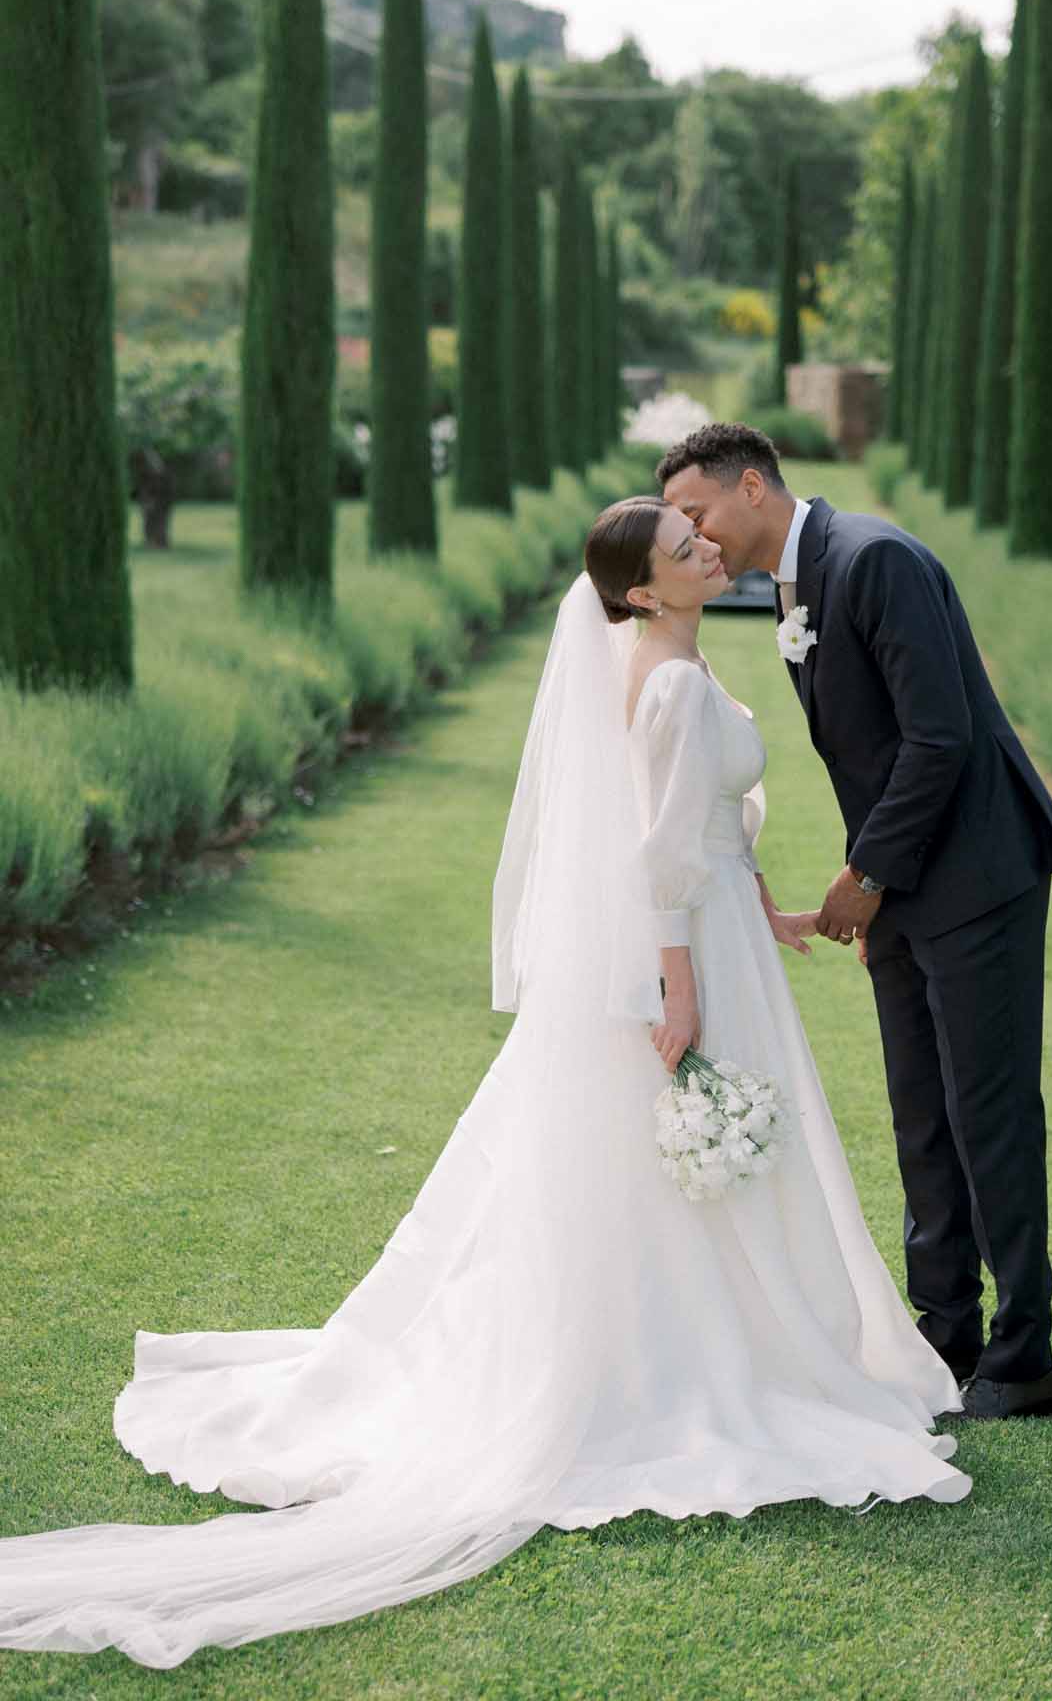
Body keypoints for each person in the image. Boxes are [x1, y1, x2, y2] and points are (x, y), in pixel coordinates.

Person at [0, 496, 969, 1673]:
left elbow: (697, 822)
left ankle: (742, 1338)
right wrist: (682, 983)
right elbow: (655, 852)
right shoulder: (661, 679)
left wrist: (753, 903)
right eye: (683, 548)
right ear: (645, 590)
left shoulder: (670, 654)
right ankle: (694, 1359)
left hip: (723, 928)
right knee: (676, 1147)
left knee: (696, 1157)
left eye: (699, 535)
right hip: (690, 951)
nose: (709, 547)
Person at [658, 423, 1052, 1419]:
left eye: (694, 511)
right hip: (903, 882)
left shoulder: (872, 558)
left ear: (751, 485)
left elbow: (942, 736)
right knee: (920, 1115)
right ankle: (942, 1332)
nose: (692, 533)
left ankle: (1022, 1357)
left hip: (977, 871)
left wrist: (863, 875)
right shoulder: (796, 585)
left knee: (991, 1113)